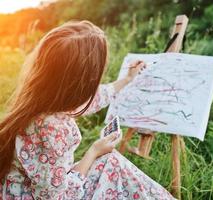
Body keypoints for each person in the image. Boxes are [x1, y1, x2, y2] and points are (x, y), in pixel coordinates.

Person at [0, 20, 175, 200]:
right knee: (111, 162)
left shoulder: (39, 99)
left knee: (110, 162)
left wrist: (127, 80)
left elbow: (91, 100)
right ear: (81, 86)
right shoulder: (54, 129)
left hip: (24, 190)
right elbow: (56, 198)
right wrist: (93, 152)